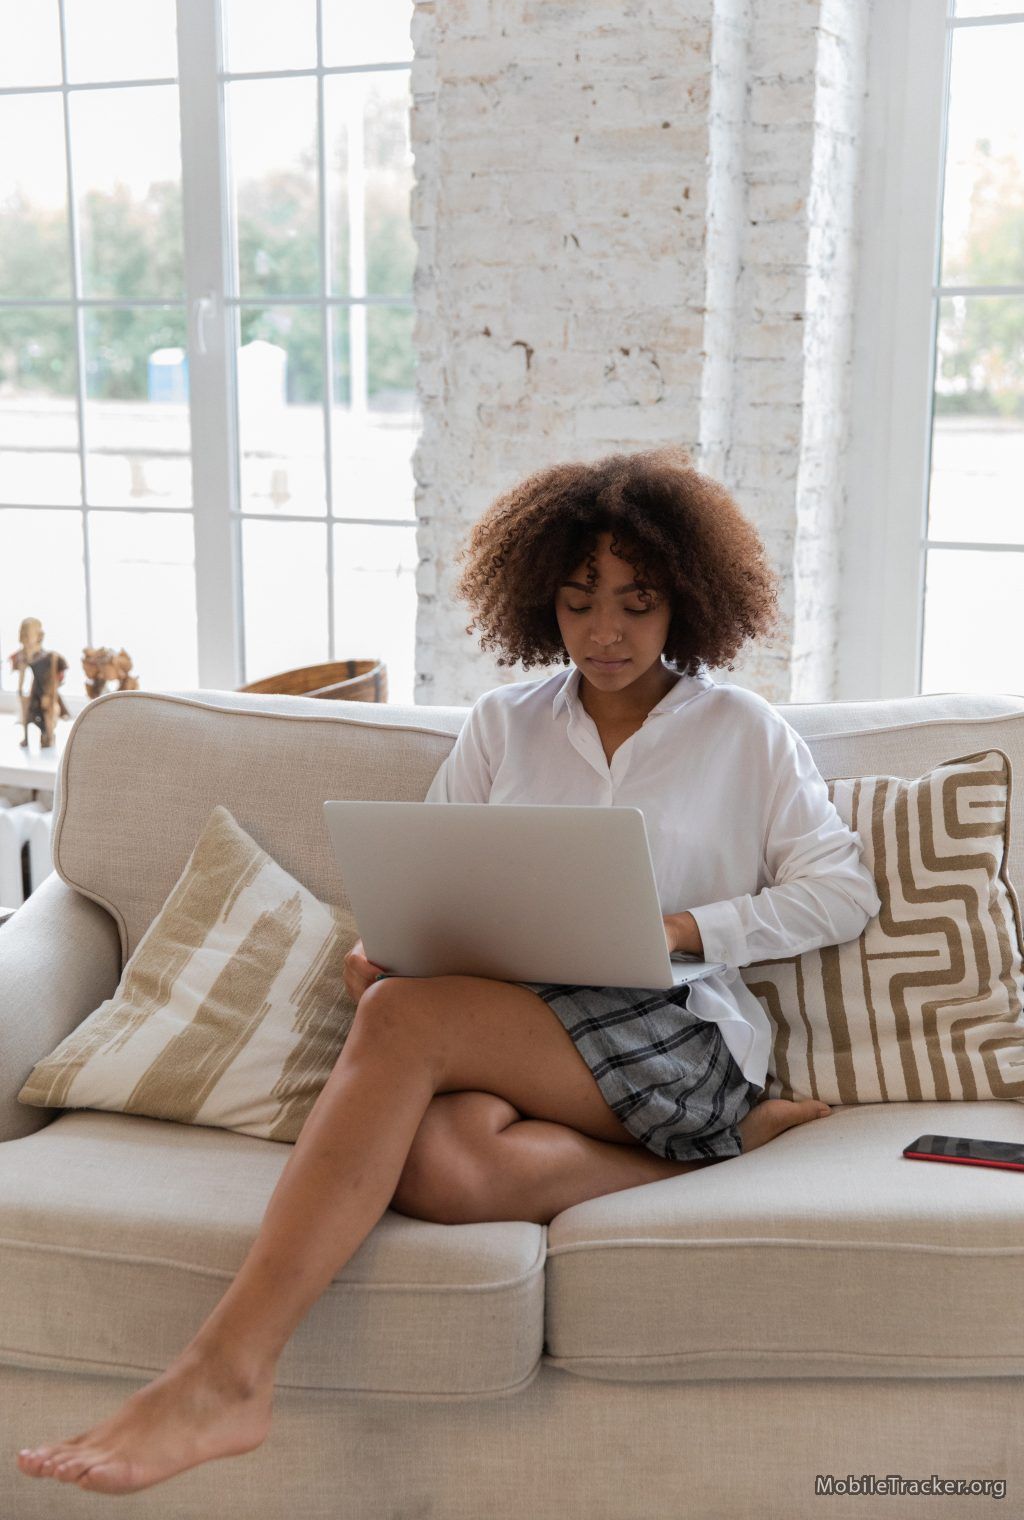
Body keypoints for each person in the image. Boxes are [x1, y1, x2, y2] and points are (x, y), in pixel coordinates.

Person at [16, 443, 881, 1496]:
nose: (604, 631)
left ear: (687, 604)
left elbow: (840, 892)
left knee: (404, 1026)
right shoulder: (501, 726)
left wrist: (683, 929)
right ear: (538, 604)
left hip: (676, 1030)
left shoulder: (743, 733)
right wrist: (385, 949)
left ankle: (222, 1373)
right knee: (441, 1168)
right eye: (575, 602)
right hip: (517, 1025)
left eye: (636, 603)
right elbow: (423, 880)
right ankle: (722, 1151)